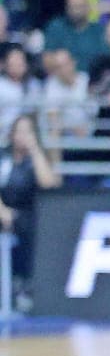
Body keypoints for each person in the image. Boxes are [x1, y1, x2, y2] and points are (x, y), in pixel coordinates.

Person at [0, 113, 61, 311]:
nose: (23, 136)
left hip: (28, 215)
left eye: (28, 132)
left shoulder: (37, 160)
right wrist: (2, 211)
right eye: (19, 131)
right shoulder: (3, 157)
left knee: (32, 226)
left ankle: (24, 284)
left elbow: (49, 184)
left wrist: (35, 150)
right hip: (3, 211)